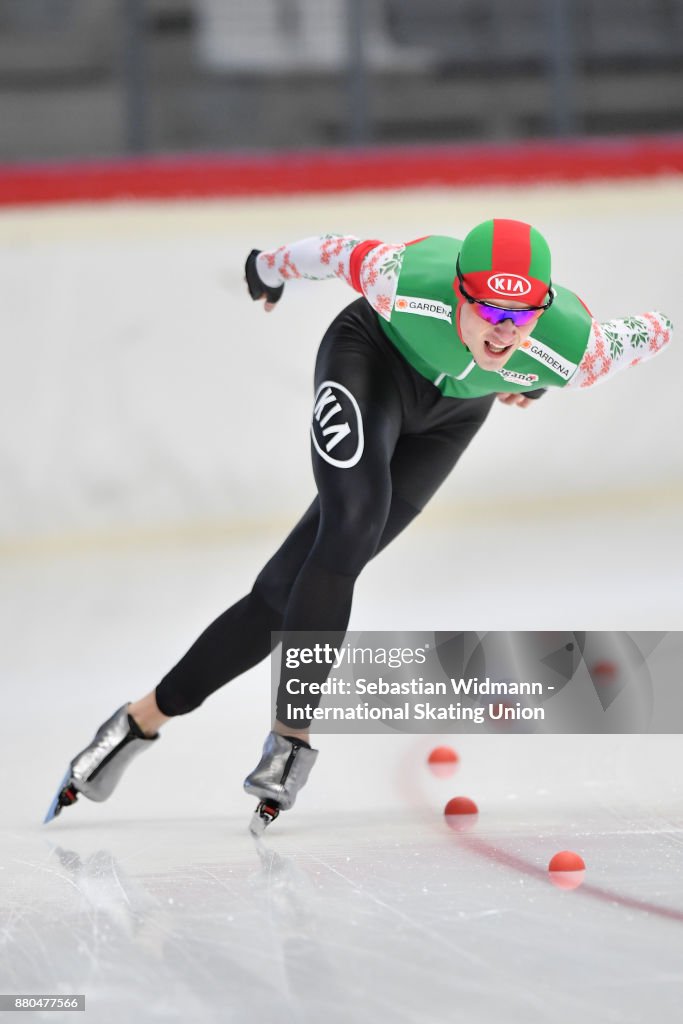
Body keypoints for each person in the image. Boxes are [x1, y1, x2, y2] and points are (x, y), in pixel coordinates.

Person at [44, 219, 672, 828]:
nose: (503, 332)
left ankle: (135, 721)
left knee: (279, 594)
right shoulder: (401, 277)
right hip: (369, 360)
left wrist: (532, 378)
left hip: (452, 419)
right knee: (351, 526)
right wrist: (266, 269)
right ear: (458, 291)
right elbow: (329, 251)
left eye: (522, 317)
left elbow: (657, 328)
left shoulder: (576, 349)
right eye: (486, 311)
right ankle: (291, 738)